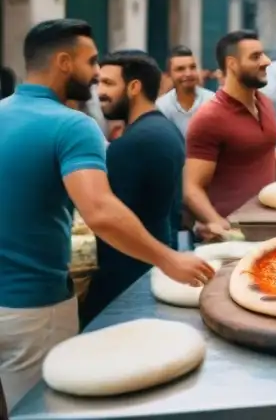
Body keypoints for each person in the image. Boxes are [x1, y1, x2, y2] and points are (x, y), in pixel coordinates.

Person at [0, 20, 212, 407]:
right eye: (92, 61)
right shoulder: (72, 125)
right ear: (64, 62)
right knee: (38, 411)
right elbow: (100, 210)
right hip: (33, 308)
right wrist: (168, 259)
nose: (97, 73)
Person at [80, 50, 188, 326]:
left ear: (134, 87)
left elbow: (111, 219)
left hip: (126, 281)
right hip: (152, 266)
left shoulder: (133, 144)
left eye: (108, 83)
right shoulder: (164, 129)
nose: (100, 92)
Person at [183, 30, 276, 241]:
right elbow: (191, 188)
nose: (267, 61)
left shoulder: (265, 103)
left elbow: (266, 151)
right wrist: (217, 223)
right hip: (234, 238)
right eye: (256, 56)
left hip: (269, 228)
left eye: (264, 54)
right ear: (232, 64)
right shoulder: (209, 118)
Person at [155, 46, 215, 139]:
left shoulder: (213, 101)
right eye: (180, 69)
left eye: (192, 67)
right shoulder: (161, 107)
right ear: (169, 75)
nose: (188, 73)